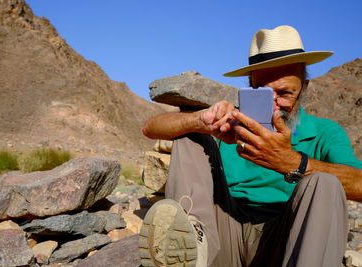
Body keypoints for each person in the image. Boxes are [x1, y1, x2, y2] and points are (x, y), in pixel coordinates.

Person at [138, 25, 362, 267]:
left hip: (288, 241)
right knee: (191, 134)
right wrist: (200, 121)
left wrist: (293, 163)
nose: (274, 105)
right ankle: (192, 244)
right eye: (262, 93)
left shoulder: (325, 132)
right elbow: (151, 128)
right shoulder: (230, 123)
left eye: (284, 93)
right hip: (222, 236)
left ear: (304, 89)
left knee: (324, 182)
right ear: (249, 85)